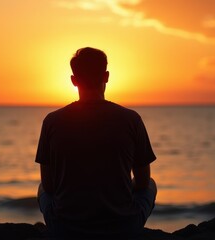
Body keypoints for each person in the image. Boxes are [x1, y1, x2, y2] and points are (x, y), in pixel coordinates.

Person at [35, 47, 157, 238]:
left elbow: (49, 185)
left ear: (73, 80)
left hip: (64, 228)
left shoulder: (52, 121)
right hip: (123, 227)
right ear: (106, 76)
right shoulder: (131, 120)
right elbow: (142, 182)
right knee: (151, 184)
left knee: (41, 189)